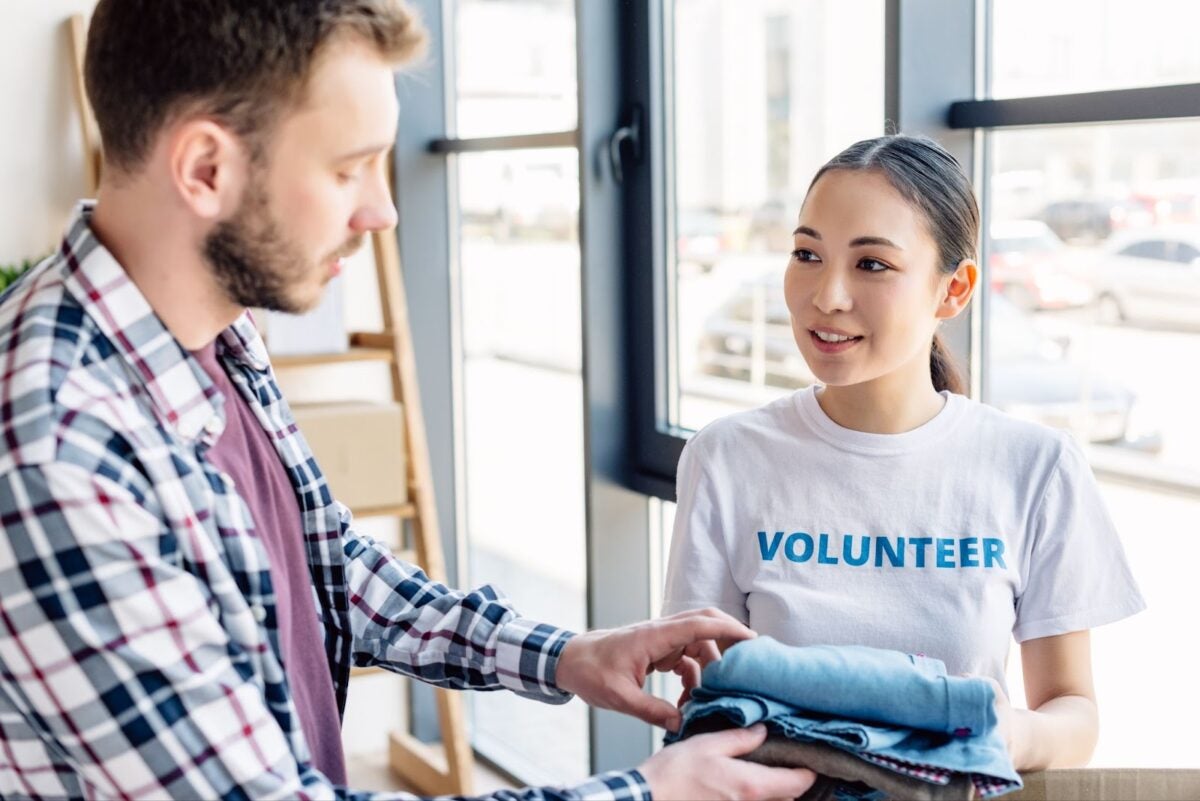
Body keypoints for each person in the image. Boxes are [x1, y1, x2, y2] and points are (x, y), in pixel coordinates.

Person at [0, 2, 817, 800]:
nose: (383, 210)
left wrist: (566, 653)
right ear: (206, 169)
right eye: (348, 167)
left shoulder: (208, 324)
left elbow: (324, 566)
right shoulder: (57, 447)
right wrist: (649, 791)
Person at [662, 134, 1146, 773]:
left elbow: (1072, 710)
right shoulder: (725, 457)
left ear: (954, 290)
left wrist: (1001, 734)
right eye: (807, 253)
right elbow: (706, 705)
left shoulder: (1036, 467)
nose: (826, 295)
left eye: (872, 265)